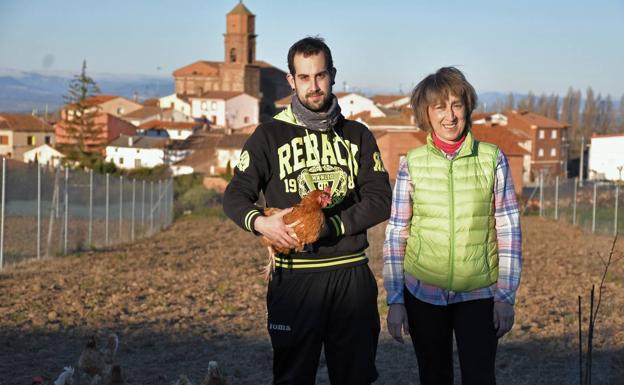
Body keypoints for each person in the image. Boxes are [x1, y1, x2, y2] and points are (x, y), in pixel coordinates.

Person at [223, 37, 391, 385]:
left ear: (332, 75)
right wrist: (260, 223)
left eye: (320, 76)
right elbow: (235, 195)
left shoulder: (358, 135)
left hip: (350, 277)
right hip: (294, 279)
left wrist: (329, 227)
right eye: (304, 77)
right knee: (293, 377)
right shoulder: (268, 136)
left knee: (356, 376)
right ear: (291, 81)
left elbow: (380, 199)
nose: (313, 86)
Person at [383, 67, 522, 385]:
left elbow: (509, 228)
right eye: (439, 107)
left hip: (480, 294)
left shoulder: (492, 159)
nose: (449, 115)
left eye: (456, 104)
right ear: (426, 114)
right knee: (433, 377)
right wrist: (395, 300)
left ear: (467, 108)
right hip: (423, 294)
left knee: (480, 377)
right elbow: (396, 233)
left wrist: (505, 297)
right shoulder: (412, 163)